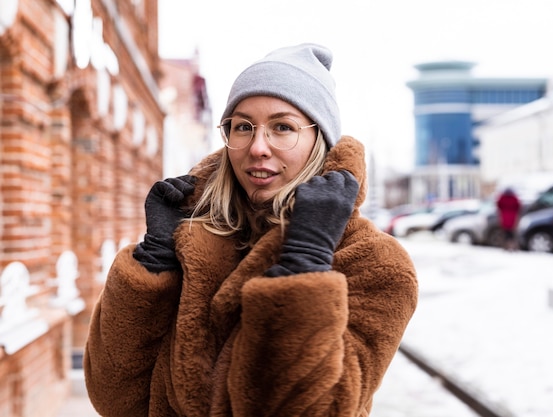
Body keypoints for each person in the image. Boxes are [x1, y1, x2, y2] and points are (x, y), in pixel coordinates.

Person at [84, 43, 418, 417]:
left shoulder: (375, 262)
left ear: (319, 142)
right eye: (243, 127)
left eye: (282, 127)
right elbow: (114, 398)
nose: (258, 147)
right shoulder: (196, 240)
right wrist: (156, 258)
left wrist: (305, 263)